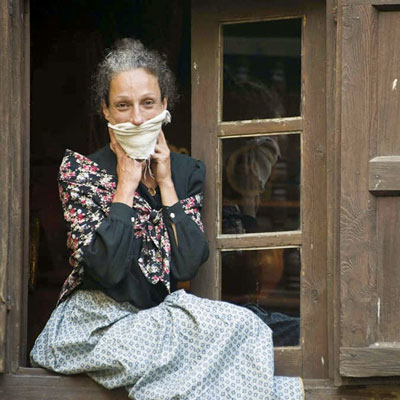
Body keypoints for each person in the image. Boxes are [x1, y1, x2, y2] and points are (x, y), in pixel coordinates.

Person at [30, 38, 304, 400]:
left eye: (147, 103)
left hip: (159, 322)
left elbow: (188, 263)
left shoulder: (186, 172)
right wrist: (125, 186)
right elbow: (109, 271)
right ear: (106, 111)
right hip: (96, 327)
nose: (138, 118)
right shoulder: (83, 172)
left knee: (251, 328)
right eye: (123, 106)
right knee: (243, 340)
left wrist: (165, 181)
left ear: (164, 106)